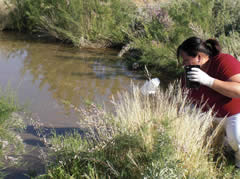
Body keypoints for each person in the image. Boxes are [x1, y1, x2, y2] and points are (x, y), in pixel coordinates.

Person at [177, 36, 240, 167]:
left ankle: (238, 165)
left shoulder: (223, 61)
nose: (184, 64)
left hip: (236, 114)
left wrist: (209, 81)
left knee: (237, 139)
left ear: (199, 57)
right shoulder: (189, 76)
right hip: (212, 117)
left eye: (186, 60)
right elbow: (183, 102)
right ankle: (221, 152)